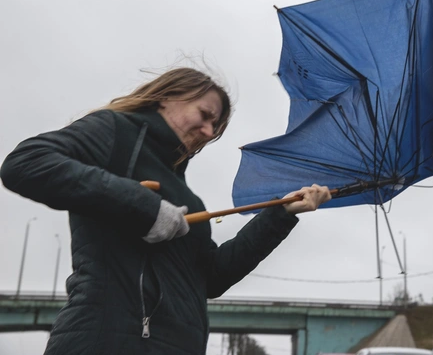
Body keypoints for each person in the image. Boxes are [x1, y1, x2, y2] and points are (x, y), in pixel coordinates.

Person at [0, 67, 331, 355]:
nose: (209, 132)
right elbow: (26, 163)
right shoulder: (116, 132)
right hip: (109, 342)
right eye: (204, 116)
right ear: (167, 97)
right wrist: (143, 206)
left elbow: (211, 278)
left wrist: (281, 215)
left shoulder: (186, 194)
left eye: (215, 127)